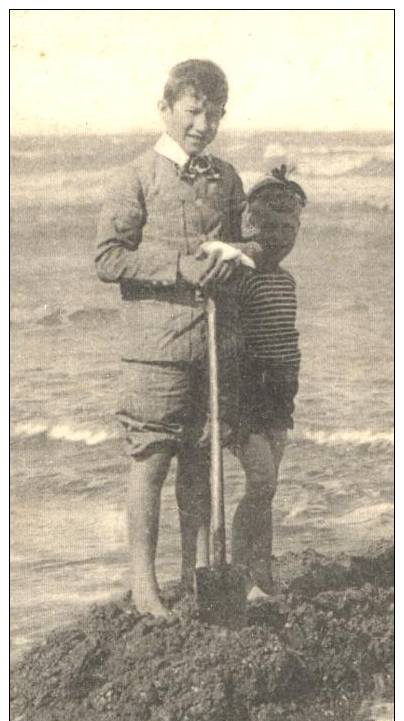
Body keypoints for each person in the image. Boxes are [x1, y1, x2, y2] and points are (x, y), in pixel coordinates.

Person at [95, 59, 261, 616]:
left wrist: (234, 259)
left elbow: (253, 244)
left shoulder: (228, 177)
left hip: (216, 345)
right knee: (152, 458)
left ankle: (197, 576)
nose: (203, 124)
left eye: (214, 114)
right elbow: (108, 257)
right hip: (156, 351)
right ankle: (144, 586)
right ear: (166, 110)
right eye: (193, 111)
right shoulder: (136, 175)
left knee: (201, 458)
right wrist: (180, 267)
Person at [231, 166, 306, 597]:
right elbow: (230, 341)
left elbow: (286, 340)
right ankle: (243, 573)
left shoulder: (286, 281)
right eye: (272, 228)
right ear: (253, 228)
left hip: (280, 392)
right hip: (248, 393)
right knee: (262, 482)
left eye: (290, 228)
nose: (281, 237)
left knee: (266, 489)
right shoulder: (243, 277)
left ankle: (262, 572)